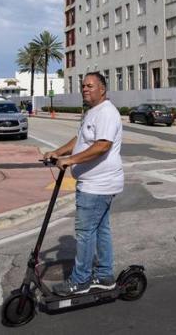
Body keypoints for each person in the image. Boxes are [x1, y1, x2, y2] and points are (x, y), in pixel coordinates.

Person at [43, 72, 123, 296]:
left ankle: (81, 280)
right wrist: (58, 152)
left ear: (102, 89)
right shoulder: (92, 112)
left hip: (98, 185)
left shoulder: (107, 112)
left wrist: (70, 160)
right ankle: (105, 275)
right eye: (83, 86)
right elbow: (80, 140)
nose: (85, 89)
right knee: (100, 230)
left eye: (90, 85)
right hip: (95, 184)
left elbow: (102, 146)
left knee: (85, 232)